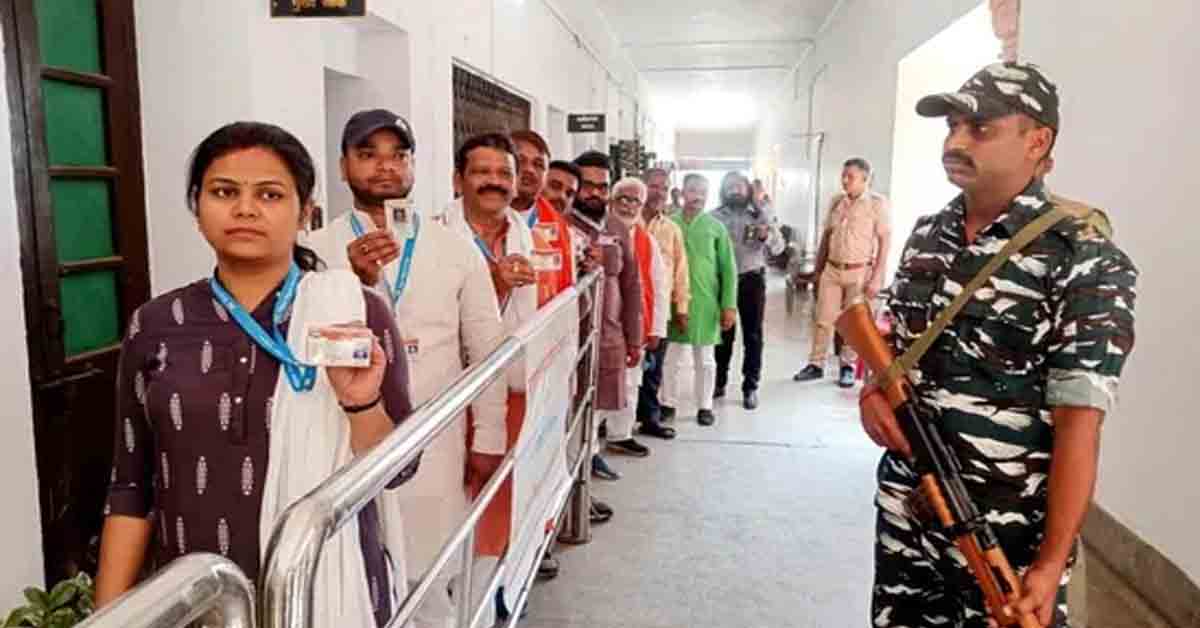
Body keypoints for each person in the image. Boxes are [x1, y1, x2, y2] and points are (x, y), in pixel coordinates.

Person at [96, 122, 417, 626]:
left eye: (270, 194)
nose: (245, 209)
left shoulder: (354, 313)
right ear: (197, 207)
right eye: (225, 192)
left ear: (305, 212)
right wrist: (109, 618)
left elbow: (398, 469)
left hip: (327, 592)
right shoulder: (156, 324)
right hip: (197, 600)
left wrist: (361, 403)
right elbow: (130, 488)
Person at [862, 62, 1138, 627]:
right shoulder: (927, 235)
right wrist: (872, 390)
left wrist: (1051, 563)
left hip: (1002, 535)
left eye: (980, 128)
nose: (956, 142)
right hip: (907, 510)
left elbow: (1080, 424)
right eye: (952, 126)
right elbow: (894, 345)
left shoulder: (1083, 258)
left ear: (1038, 141)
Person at [304, 109, 507, 628]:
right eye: (367, 154)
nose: (385, 167)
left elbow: (487, 348)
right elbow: (301, 342)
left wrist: (490, 436)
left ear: (415, 166)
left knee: (430, 576)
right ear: (343, 166)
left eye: (399, 155)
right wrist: (351, 279)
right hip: (342, 441)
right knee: (352, 576)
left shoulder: (453, 248)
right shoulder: (314, 251)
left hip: (434, 440)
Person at [566, 151, 645, 480]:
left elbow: (632, 284)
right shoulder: (560, 222)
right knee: (568, 404)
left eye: (602, 187)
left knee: (598, 400)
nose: (594, 193)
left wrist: (635, 337)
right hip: (569, 336)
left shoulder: (616, 227)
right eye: (587, 185)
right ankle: (573, 472)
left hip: (608, 332)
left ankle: (591, 455)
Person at [794, 157, 892, 388]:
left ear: (865, 180)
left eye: (851, 177)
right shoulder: (836, 202)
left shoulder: (877, 204)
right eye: (843, 176)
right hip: (832, 269)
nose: (845, 180)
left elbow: (884, 241)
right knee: (823, 319)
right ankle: (816, 364)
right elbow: (826, 236)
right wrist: (818, 270)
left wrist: (877, 277)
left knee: (853, 322)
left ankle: (847, 366)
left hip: (859, 271)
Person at [659, 174, 737, 427]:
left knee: (705, 360)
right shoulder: (668, 224)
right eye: (693, 191)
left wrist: (728, 305)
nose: (698, 197)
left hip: (706, 302)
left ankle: (705, 406)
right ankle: (667, 404)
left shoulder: (716, 227)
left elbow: (728, 269)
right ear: (682, 193)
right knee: (672, 358)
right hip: (673, 301)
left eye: (703, 192)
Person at [606, 177, 671, 453]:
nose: (629, 205)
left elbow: (659, 286)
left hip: (635, 324)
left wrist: (656, 329)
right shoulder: (598, 232)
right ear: (612, 201)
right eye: (624, 198)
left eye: (636, 201)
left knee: (632, 382)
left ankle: (620, 434)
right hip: (605, 322)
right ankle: (591, 442)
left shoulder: (647, 241)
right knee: (601, 379)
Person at [711, 172, 785, 410]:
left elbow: (778, 248)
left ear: (748, 190)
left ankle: (750, 386)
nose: (735, 190)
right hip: (722, 282)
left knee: (753, 336)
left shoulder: (761, 216)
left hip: (752, 280)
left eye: (740, 186)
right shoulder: (714, 217)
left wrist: (766, 235)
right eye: (730, 186)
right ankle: (718, 382)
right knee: (723, 335)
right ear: (723, 191)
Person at [636, 168, 689, 439]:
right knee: (622, 367)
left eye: (664, 188)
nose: (659, 193)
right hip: (627, 307)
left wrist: (682, 308)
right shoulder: (626, 222)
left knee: (653, 367)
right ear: (642, 187)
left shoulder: (671, 229)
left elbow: (681, 271)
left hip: (658, 309)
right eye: (654, 186)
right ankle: (612, 422)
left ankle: (649, 419)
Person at [510, 130, 576, 305]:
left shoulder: (561, 229)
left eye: (538, 165)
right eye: (521, 161)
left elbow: (567, 296)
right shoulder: (478, 215)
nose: (529, 169)